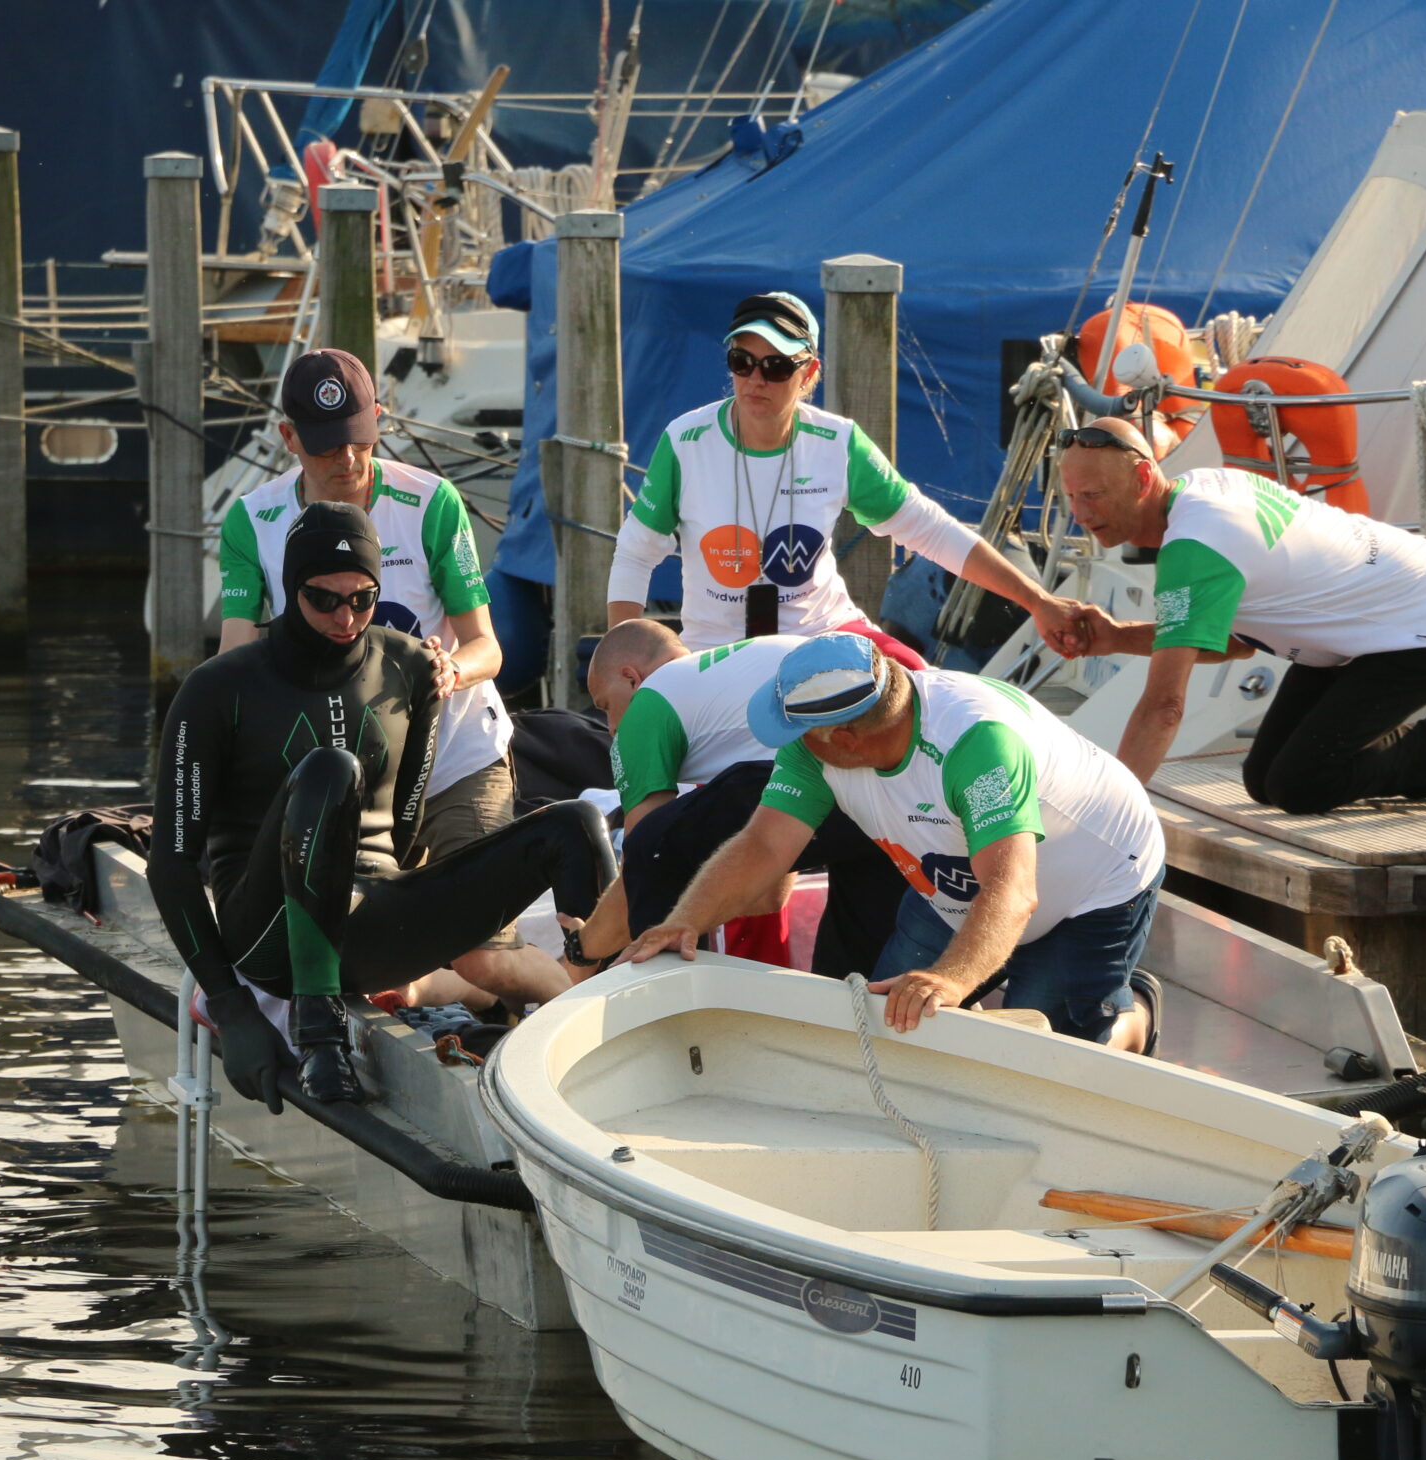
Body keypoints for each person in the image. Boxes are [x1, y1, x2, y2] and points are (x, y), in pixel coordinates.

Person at [155, 501, 614, 1107]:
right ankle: (319, 1034)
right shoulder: (218, 688)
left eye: (362, 599)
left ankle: (613, 1015)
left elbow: (403, 827)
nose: (345, 617)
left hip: (374, 920)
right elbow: (171, 864)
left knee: (574, 825)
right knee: (331, 769)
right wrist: (231, 1006)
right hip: (271, 935)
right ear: (291, 589)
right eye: (323, 599)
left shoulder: (410, 666)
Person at [219, 347, 568, 1012]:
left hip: (457, 756)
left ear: (379, 417)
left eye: (359, 439)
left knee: (483, 953)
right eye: (326, 448)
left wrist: (449, 669)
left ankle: (575, 1022)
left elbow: (487, 647)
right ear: (288, 437)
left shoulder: (431, 502)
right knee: (382, 975)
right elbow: (235, 662)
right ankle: (477, 1015)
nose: (348, 461)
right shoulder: (252, 521)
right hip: (358, 779)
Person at [625, 634, 1167, 1050]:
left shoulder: (975, 745)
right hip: (953, 881)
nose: (790, 744)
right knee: (885, 1029)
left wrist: (949, 981)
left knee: (1048, 1057)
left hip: (1090, 885)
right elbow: (764, 845)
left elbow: (1013, 891)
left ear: (845, 738)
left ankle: (1131, 1015)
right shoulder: (818, 748)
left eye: (796, 733)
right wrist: (685, 920)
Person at [1056, 417, 1426, 810]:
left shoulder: (1196, 547)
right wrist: (1116, 637)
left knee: (1301, 784)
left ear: (1143, 477)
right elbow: (1232, 643)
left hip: (1419, 621)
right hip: (1362, 625)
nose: (1080, 514)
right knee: (1264, 781)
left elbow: (1165, 707)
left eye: (1094, 495)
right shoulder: (1200, 489)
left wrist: (1110, 812)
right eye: (1072, 497)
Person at [605, 289, 1093, 664]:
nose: (755, 379)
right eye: (742, 362)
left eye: (776, 366)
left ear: (808, 372)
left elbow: (932, 530)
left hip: (825, 635)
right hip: (715, 650)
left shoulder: (838, 443)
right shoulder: (685, 440)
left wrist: (1039, 602)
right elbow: (635, 553)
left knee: (927, 692)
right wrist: (622, 663)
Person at [560, 620, 903, 980]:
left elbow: (646, 867)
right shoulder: (725, 683)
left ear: (632, 678)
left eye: (605, 706)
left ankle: (670, 1000)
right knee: (857, 980)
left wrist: (581, 951)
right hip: (887, 779)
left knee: (655, 846)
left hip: (843, 758)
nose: (610, 727)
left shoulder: (648, 702)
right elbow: (770, 897)